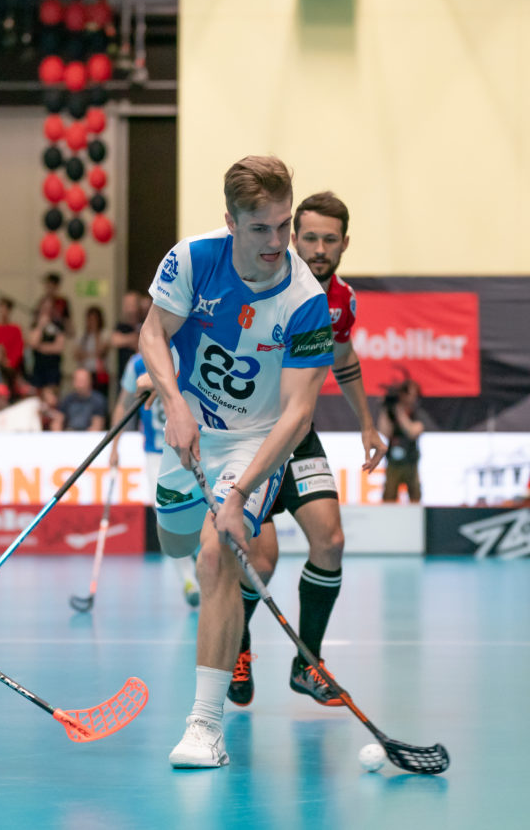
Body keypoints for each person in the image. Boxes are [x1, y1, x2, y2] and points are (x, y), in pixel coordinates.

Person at [140, 155, 334, 769]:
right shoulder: (194, 260)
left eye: (284, 226)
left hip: (256, 442)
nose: (277, 242)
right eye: (261, 229)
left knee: (217, 549)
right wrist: (173, 401)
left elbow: (298, 414)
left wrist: (241, 491)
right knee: (175, 544)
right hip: (190, 427)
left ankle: (204, 726)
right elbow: (153, 334)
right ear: (230, 221)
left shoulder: (306, 300)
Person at [228, 191, 388, 708]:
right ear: (294, 237)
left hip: (297, 433)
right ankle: (236, 645)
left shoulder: (342, 299)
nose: (319, 248)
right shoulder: (264, 282)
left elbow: (343, 358)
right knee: (263, 559)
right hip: (245, 434)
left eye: (330, 239)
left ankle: (308, 662)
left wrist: (367, 424)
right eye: (311, 237)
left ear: (344, 244)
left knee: (331, 539)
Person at [108, 354, 200, 606]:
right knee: (166, 515)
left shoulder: (187, 347)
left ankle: (202, 560)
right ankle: (188, 580)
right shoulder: (137, 363)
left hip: (189, 445)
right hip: (154, 453)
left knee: (199, 511)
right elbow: (122, 404)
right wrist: (114, 447)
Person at [378, 378, 424, 503]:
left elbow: (413, 431)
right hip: (393, 462)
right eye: (409, 394)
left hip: (411, 460)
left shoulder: (416, 412)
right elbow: (384, 431)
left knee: (415, 495)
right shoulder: (391, 412)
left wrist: (400, 412)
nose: (412, 398)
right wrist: (387, 409)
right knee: (389, 495)